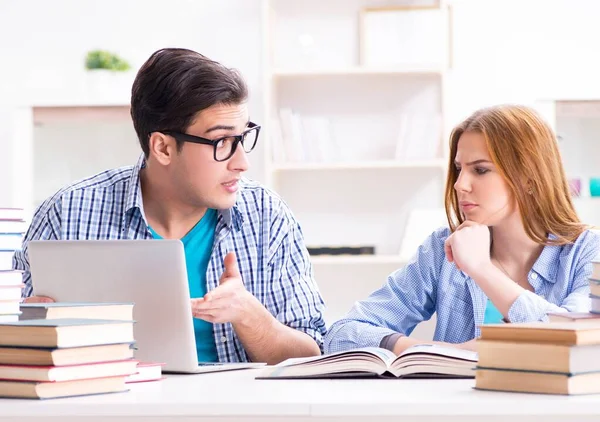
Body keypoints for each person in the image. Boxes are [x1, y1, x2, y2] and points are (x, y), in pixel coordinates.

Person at [14, 48, 326, 365]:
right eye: (222, 142)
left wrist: (250, 317)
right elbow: (12, 332)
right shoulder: (68, 214)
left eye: (242, 137)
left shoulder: (267, 216)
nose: (242, 163)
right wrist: (25, 329)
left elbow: (312, 354)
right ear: (163, 147)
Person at [325, 104, 600, 355]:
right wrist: (431, 349)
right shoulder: (442, 247)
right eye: (459, 169)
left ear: (529, 178)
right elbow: (342, 334)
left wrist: (482, 268)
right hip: (456, 409)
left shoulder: (587, 251)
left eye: (480, 170)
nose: (460, 184)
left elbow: (576, 341)